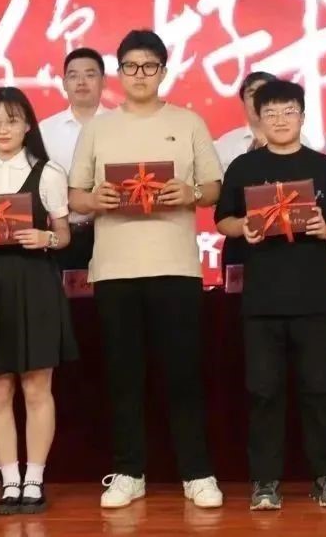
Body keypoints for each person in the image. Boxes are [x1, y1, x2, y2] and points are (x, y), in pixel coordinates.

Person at [68, 29, 225, 510]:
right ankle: (128, 472)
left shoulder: (189, 121)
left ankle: (197, 473)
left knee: (183, 373)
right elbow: (76, 196)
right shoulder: (99, 128)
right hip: (115, 269)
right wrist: (96, 199)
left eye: (149, 66)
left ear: (163, 71)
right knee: (123, 375)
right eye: (131, 66)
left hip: (175, 266)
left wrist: (189, 193)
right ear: (119, 72)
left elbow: (213, 187)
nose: (140, 75)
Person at [215, 79, 326, 511]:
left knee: (320, 389)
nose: (280, 120)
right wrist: (244, 227)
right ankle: (265, 481)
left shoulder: (324, 167)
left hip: (315, 298)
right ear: (258, 118)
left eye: (288, 111)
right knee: (263, 392)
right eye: (271, 113)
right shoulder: (243, 167)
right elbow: (222, 220)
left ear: (302, 116)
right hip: (262, 301)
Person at [0, 87, 79, 516]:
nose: (3, 129)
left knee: (37, 385)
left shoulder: (48, 173)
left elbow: (64, 235)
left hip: (36, 283)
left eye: (12, 120)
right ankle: (9, 479)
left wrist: (46, 238)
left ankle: (34, 478)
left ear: (27, 126)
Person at [216, 71, 312, 280]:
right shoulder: (225, 144)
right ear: (243, 100)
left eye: (265, 91)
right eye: (252, 93)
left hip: (291, 240)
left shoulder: (302, 142)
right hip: (242, 239)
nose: (259, 97)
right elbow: (220, 198)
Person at [39, 47, 106, 271]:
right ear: (64, 83)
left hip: (112, 236)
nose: (81, 82)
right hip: (63, 235)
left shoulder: (120, 125)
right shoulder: (46, 131)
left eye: (90, 74)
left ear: (103, 81)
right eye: (73, 76)